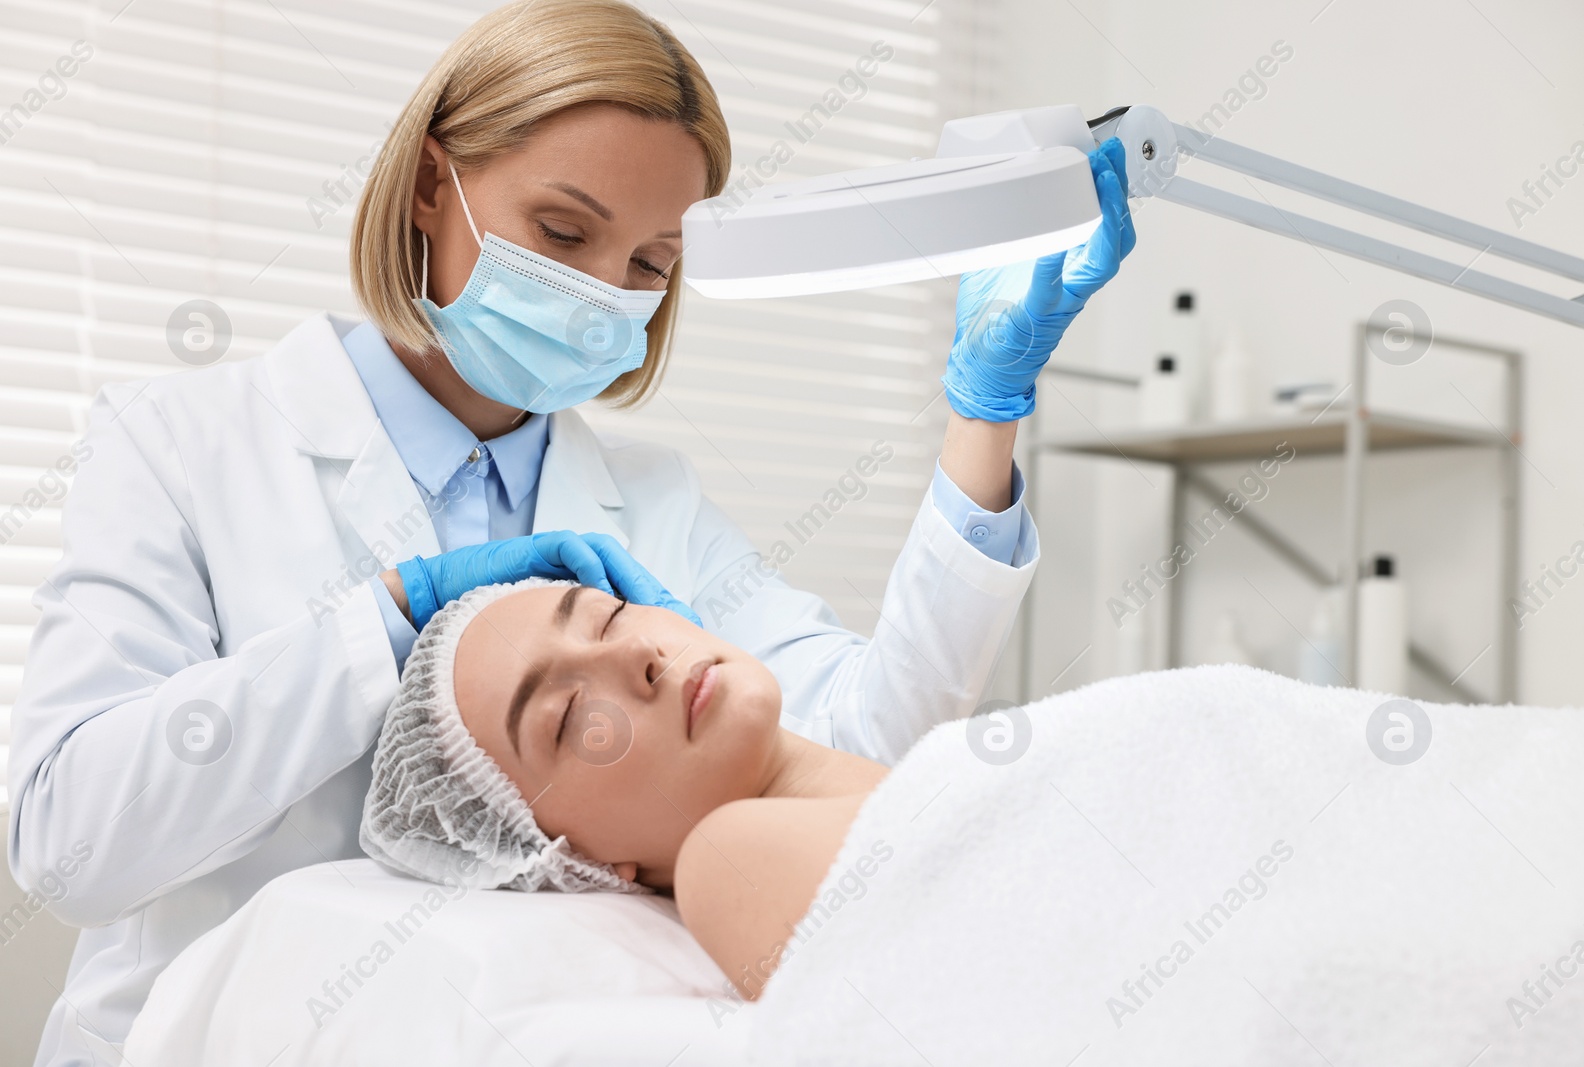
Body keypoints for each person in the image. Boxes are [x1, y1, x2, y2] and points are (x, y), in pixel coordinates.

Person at [7, 0, 1133, 1059]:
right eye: (561, 230)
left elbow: (860, 740)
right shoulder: (182, 443)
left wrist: (981, 423)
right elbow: (67, 841)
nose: (605, 290)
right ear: (428, 184)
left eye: (650, 263)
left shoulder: (650, 497)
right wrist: (384, 622)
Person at [360, 575, 887, 999]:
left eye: (608, 617)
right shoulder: (730, 861)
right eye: (569, 716)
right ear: (576, 864)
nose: (638, 652)